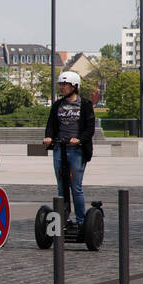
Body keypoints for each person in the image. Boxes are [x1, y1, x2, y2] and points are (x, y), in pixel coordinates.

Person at [43, 70, 96, 234]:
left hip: (77, 151)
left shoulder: (85, 105)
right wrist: (48, 137)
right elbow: (51, 124)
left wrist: (79, 139)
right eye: (61, 85)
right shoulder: (57, 105)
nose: (62, 87)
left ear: (75, 86)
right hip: (60, 148)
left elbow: (90, 129)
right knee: (61, 187)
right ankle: (63, 220)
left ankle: (81, 222)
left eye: (65, 85)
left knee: (75, 187)